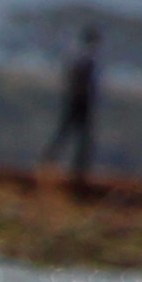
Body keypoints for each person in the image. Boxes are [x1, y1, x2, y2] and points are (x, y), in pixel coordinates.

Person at [41, 25, 100, 184]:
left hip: (75, 100)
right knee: (79, 135)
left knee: (68, 132)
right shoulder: (87, 57)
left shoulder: (78, 55)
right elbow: (81, 81)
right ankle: (77, 167)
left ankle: (54, 159)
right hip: (80, 101)